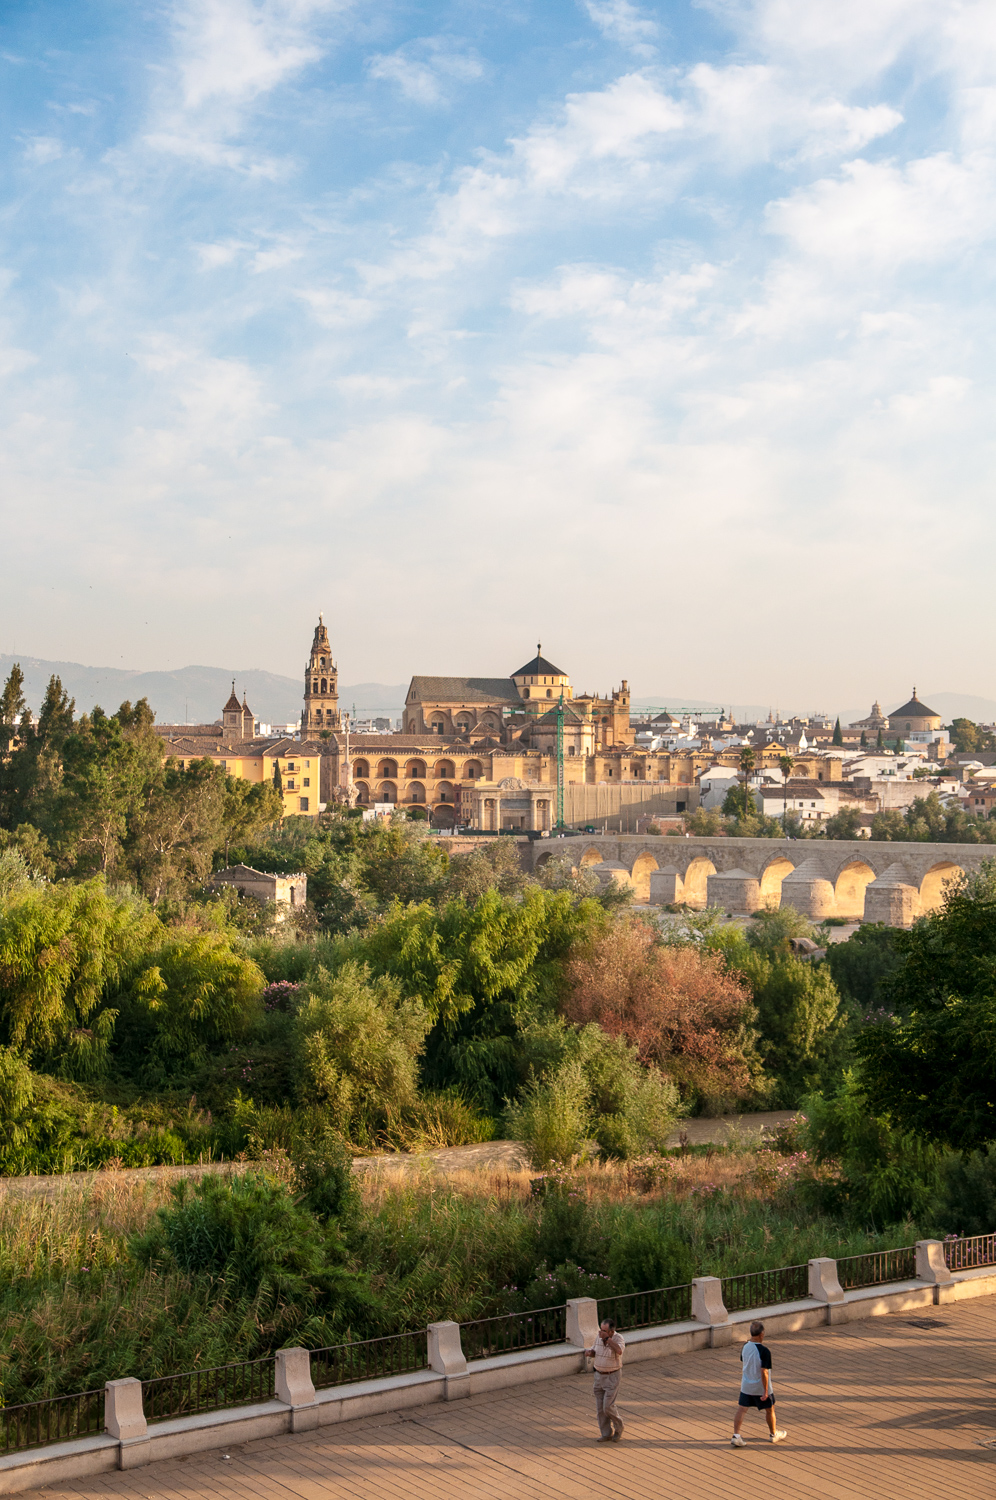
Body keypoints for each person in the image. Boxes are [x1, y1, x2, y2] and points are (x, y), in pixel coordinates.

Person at [730, 1320, 786, 1446]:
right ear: (762, 1334)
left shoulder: (745, 1347)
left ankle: (736, 1435)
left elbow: (744, 1360)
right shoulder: (764, 1351)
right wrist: (765, 1391)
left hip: (746, 1386)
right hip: (760, 1387)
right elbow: (764, 1372)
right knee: (770, 1410)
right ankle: (773, 1434)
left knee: (742, 1409)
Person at [584, 1318, 625, 1442]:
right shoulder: (598, 1338)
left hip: (612, 1376)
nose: (600, 1333)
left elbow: (619, 1350)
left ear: (611, 1331)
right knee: (600, 1408)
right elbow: (595, 1352)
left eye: (604, 1331)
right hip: (598, 1375)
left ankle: (619, 1426)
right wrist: (590, 1353)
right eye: (600, 1330)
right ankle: (606, 1433)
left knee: (607, 1406)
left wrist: (607, 1339)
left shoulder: (618, 1338)